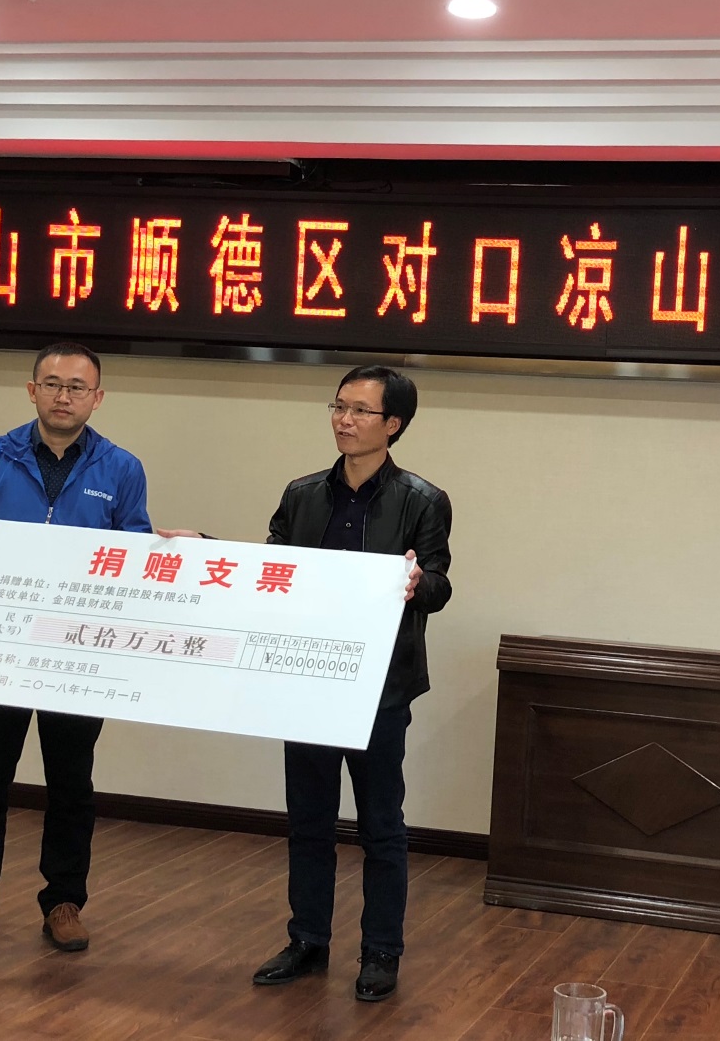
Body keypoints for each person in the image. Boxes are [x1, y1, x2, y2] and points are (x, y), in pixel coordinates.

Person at [0, 342, 151, 954]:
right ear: (32, 391)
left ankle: (64, 902)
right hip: (0, 645)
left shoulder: (121, 468)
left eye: (77, 387)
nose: (63, 396)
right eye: (51, 384)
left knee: (71, 781)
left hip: (78, 649)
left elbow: (135, 553)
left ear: (97, 398)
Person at [252, 365, 452, 1001]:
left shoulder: (423, 500)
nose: (345, 420)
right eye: (339, 406)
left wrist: (418, 582)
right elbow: (272, 567)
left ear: (393, 424)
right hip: (307, 679)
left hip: (380, 687)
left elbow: (440, 585)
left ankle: (381, 951)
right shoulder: (302, 493)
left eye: (361, 411)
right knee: (308, 820)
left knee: (380, 826)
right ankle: (307, 940)